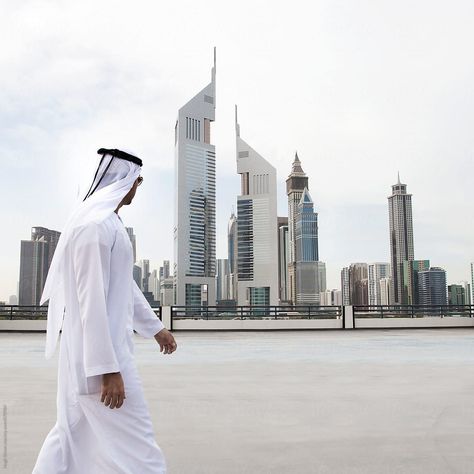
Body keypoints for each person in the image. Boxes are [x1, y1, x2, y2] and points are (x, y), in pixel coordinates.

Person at [33, 148, 176, 473]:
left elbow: (125, 286)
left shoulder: (107, 224)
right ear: (122, 179)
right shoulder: (94, 227)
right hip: (101, 363)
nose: (138, 186)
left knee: (69, 441)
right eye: (136, 180)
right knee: (141, 451)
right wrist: (108, 370)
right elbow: (90, 301)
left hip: (95, 358)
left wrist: (155, 327)